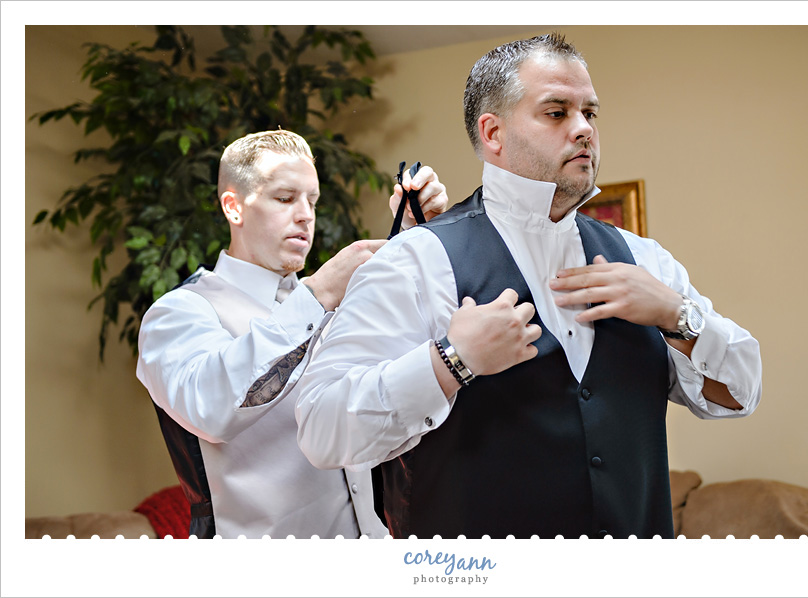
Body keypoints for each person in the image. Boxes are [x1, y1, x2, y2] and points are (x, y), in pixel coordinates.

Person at [295, 33, 763, 540]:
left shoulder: (645, 259)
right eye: (557, 113)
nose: (584, 129)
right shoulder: (419, 260)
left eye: (590, 113)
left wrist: (676, 314)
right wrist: (449, 362)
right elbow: (321, 428)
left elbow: (740, 394)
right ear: (493, 133)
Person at [136, 129, 448, 539]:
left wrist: (416, 241)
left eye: (312, 201)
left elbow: (391, 397)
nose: (305, 215)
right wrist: (317, 295)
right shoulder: (178, 314)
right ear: (234, 207)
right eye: (285, 199)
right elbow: (212, 409)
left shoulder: (335, 307)